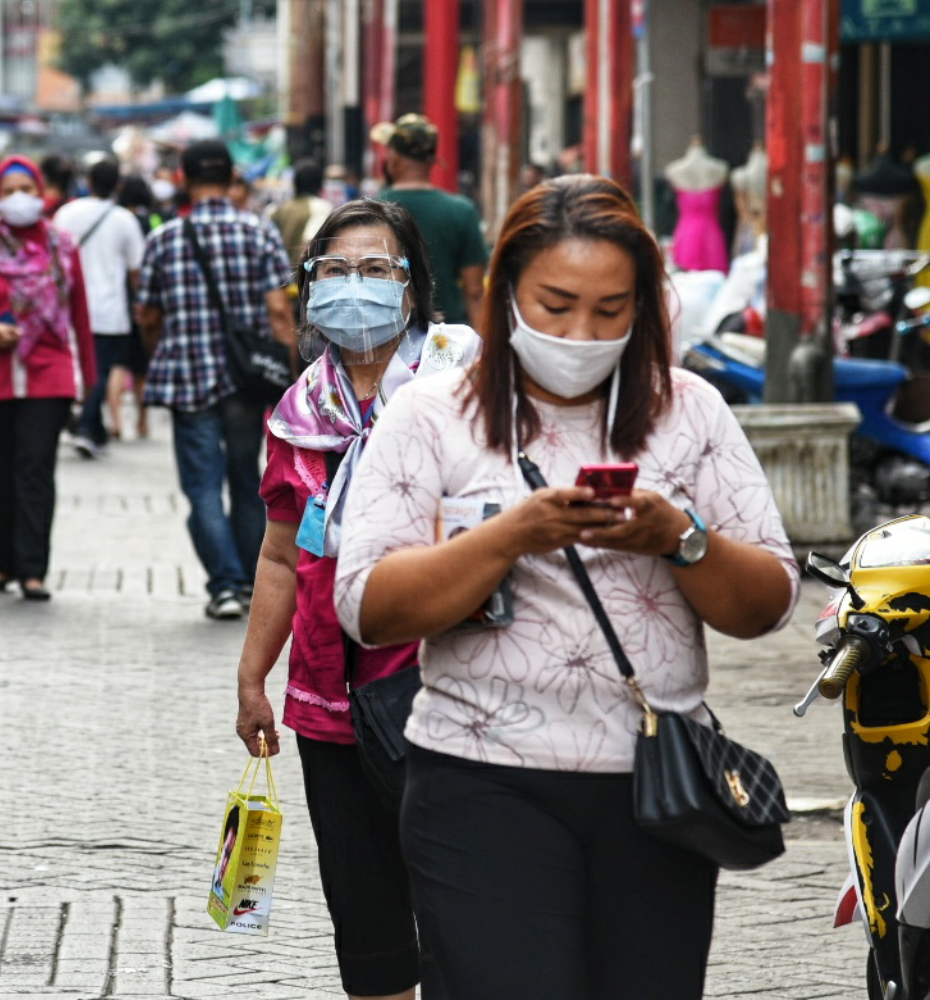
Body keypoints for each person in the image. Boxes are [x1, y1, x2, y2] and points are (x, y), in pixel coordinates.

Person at [332, 175, 800, 1000]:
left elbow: (768, 603)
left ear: (643, 307)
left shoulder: (690, 411)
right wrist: (511, 534)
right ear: (506, 291)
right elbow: (368, 606)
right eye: (555, 305)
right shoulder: (430, 414)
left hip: (657, 785)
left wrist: (681, 539)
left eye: (610, 310)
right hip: (479, 774)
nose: (581, 334)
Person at [235, 199, 477, 1000]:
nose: (354, 285)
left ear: (413, 286)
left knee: (465, 907)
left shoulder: (465, 389)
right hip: (328, 698)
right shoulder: (298, 416)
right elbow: (280, 555)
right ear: (309, 287)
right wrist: (251, 677)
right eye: (335, 270)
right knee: (367, 917)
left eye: (376, 269)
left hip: (446, 687)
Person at [137, 140, 295, 620]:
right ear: (231, 180)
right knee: (246, 479)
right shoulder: (259, 231)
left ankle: (224, 585)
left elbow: (148, 315)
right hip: (246, 381)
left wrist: (158, 355)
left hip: (189, 378)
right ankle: (247, 581)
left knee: (203, 486)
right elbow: (278, 310)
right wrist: (291, 376)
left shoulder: (164, 238)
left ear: (183, 179)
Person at [0, 156, 97, 601]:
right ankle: (3, 564)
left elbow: (80, 315)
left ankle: (33, 570)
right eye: (9, 190)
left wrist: (89, 379)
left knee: (35, 471)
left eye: (26, 190)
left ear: (41, 193)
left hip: (48, 375)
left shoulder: (63, 246)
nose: (18, 198)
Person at [55, 156, 146, 457]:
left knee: (75, 367)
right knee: (100, 370)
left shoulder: (66, 213)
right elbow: (136, 270)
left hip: (67, 307)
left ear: (89, 182)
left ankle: (89, 426)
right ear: (118, 185)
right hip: (109, 309)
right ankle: (85, 426)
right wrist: (140, 303)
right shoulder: (124, 220)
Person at [372, 114, 489, 326]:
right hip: (446, 334)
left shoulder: (372, 209)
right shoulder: (462, 210)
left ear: (393, 157)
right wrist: (482, 341)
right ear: (432, 160)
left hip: (386, 331)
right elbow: (474, 291)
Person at [113, 175, 160, 439]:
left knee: (118, 363)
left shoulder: (118, 220)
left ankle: (116, 420)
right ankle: (143, 421)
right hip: (145, 299)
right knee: (142, 367)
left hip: (120, 299)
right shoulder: (152, 221)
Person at [272, 159, 334, 267]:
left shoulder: (278, 209)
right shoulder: (321, 207)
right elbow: (308, 244)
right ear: (320, 182)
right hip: (300, 273)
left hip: (280, 273)